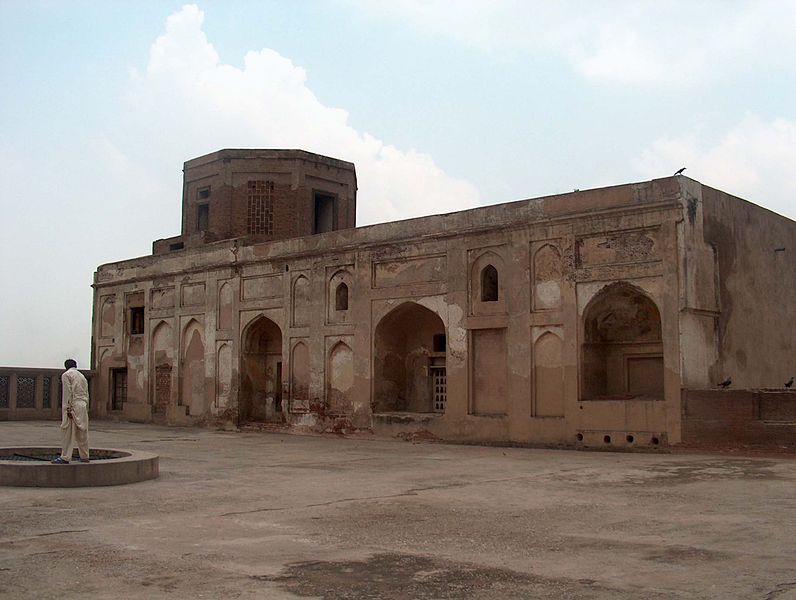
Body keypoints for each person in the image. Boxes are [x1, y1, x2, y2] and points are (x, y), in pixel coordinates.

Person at [51, 359, 90, 464]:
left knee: (68, 431)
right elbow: (86, 394)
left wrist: (67, 408)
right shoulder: (82, 377)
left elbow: (67, 392)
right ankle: (85, 456)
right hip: (83, 405)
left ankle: (65, 457)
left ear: (66, 366)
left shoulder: (66, 375)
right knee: (82, 432)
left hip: (74, 405)